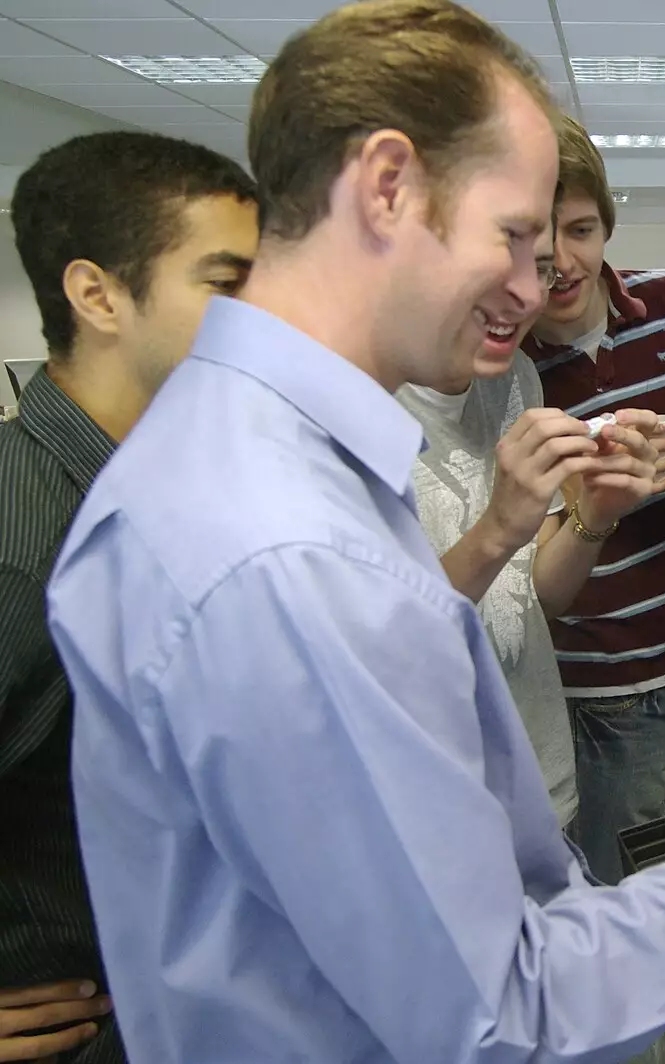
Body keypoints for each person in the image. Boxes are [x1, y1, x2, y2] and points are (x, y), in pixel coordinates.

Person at [42, 4, 665, 1062]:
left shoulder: (269, 463)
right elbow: (498, 1014)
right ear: (387, 187)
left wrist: (637, 923)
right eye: (512, 233)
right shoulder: (281, 548)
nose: (533, 282)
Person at [0, 130, 257, 1064]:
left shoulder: (159, 486)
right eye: (224, 284)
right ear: (96, 294)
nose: (260, 317)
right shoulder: (28, 547)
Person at [521, 115, 665, 1063]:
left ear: (606, 226)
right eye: (533, 238)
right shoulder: (508, 369)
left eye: (577, 229)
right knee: (632, 943)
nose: (558, 259)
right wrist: (596, 505)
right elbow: (543, 595)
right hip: (612, 704)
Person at [397, 223, 665, 831]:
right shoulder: (356, 403)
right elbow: (378, 647)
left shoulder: (515, 375)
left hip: (539, 776)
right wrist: (497, 528)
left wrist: (596, 511)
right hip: (435, 806)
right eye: (499, 263)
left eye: (540, 268)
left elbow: (533, 600)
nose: (527, 295)